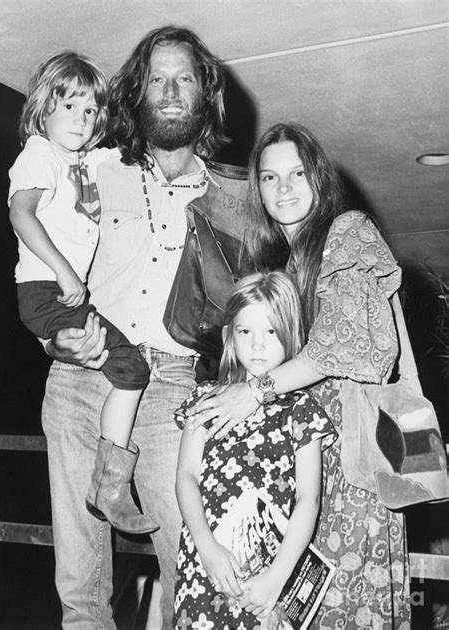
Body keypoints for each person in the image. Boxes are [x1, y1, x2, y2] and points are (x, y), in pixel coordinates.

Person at [41, 27, 249, 628]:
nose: (169, 90)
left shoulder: (232, 196)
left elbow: (263, 304)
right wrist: (53, 335)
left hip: (170, 392)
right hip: (80, 381)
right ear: (139, 93)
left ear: (206, 94)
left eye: (183, 77)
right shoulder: (96, 169)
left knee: (191, 570)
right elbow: (45, 256)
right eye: (156, 78)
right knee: (79, 588)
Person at [191, 122, 412, 628]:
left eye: (297, 173)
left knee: (349, 608)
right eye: (269, 178)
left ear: (320, 179)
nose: (283, 187)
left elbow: (347, 344)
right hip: (301, 462)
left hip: (355, 461)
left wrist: (255, 391)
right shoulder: (283, 265)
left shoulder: (349, 230)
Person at [8, 51, 156, 535]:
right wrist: (66, 273)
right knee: (132, 368)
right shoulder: (39, 154)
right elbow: (21, 215)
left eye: (90, 110)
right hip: (48, 290)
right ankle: (110, 487)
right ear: (43, 110)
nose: (80, 118)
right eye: (68, 105)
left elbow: (135, 144)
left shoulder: (85, 160)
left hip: (64, 293)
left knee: (126, 369)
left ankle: (107, 483)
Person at [173, 271, 336, 629]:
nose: (258, 346)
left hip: (270, 575)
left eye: (271, 332)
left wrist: (277, 578)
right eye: (246, 332)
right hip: (208, 564)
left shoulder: (301, 408)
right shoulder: (204, 399)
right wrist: (206, 547)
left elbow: (309, 499)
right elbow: (186, 477)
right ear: (230, 335)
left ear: (290, 334)